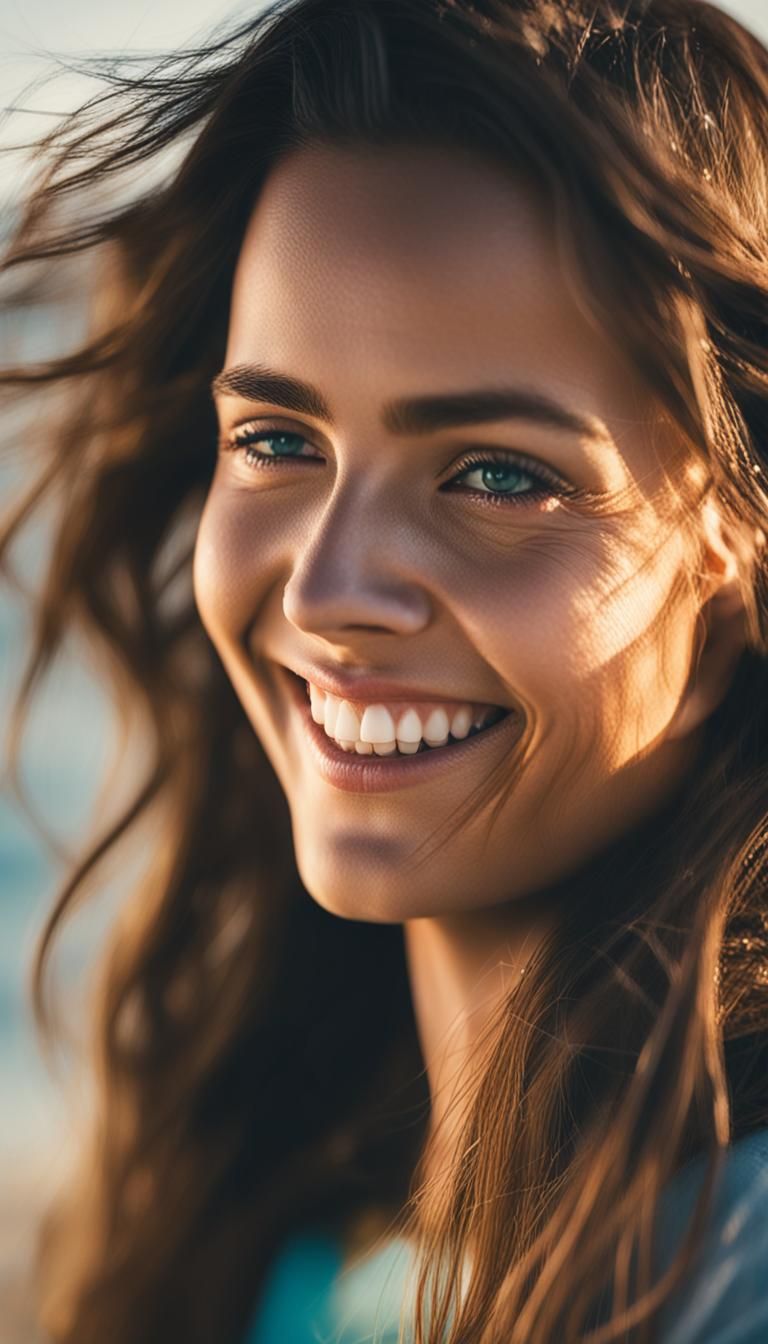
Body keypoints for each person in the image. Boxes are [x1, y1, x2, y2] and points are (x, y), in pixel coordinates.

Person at [1, 0, 767, 1340]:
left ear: (737, 568)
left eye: (497, 475)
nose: (323, 589)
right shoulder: (277, 1206)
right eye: (279, 439)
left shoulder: (727, 1271)